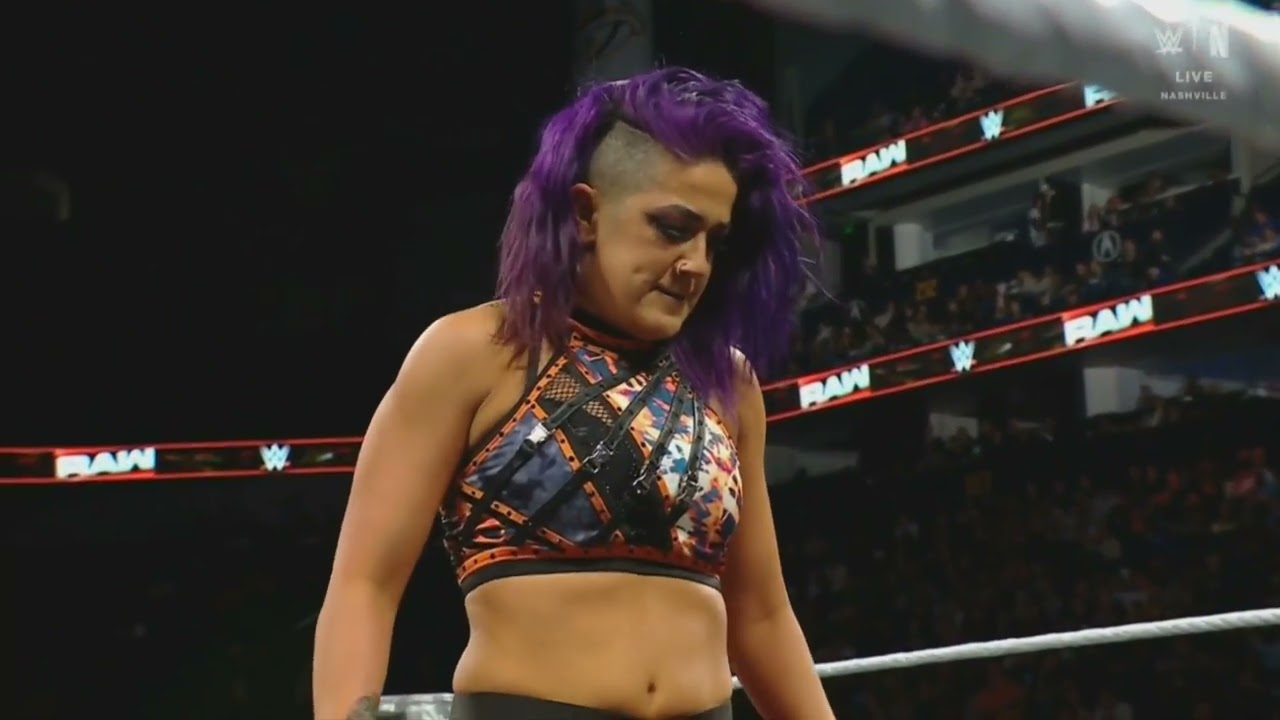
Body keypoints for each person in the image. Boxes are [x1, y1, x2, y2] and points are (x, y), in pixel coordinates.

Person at [313, 67, 835, 720]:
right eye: (672, 228)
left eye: (714, 240)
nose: (696, 263)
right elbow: (365, 584)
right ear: (586, 213)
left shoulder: (728, 383)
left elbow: (761, 617)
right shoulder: (475, 352)